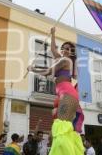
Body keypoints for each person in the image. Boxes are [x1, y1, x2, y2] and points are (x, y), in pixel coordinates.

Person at [27, 27, 84, 155]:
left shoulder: (65, 60)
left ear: (72, 53)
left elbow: (48, 71)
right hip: (64, 94)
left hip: (68, 94)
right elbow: (53, 49)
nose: (65, 49)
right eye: (64, 47)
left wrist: (32, 69)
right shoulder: (60, 58)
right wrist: (53, 34)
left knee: (61, 127)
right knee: (63, 128)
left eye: (69, 49)